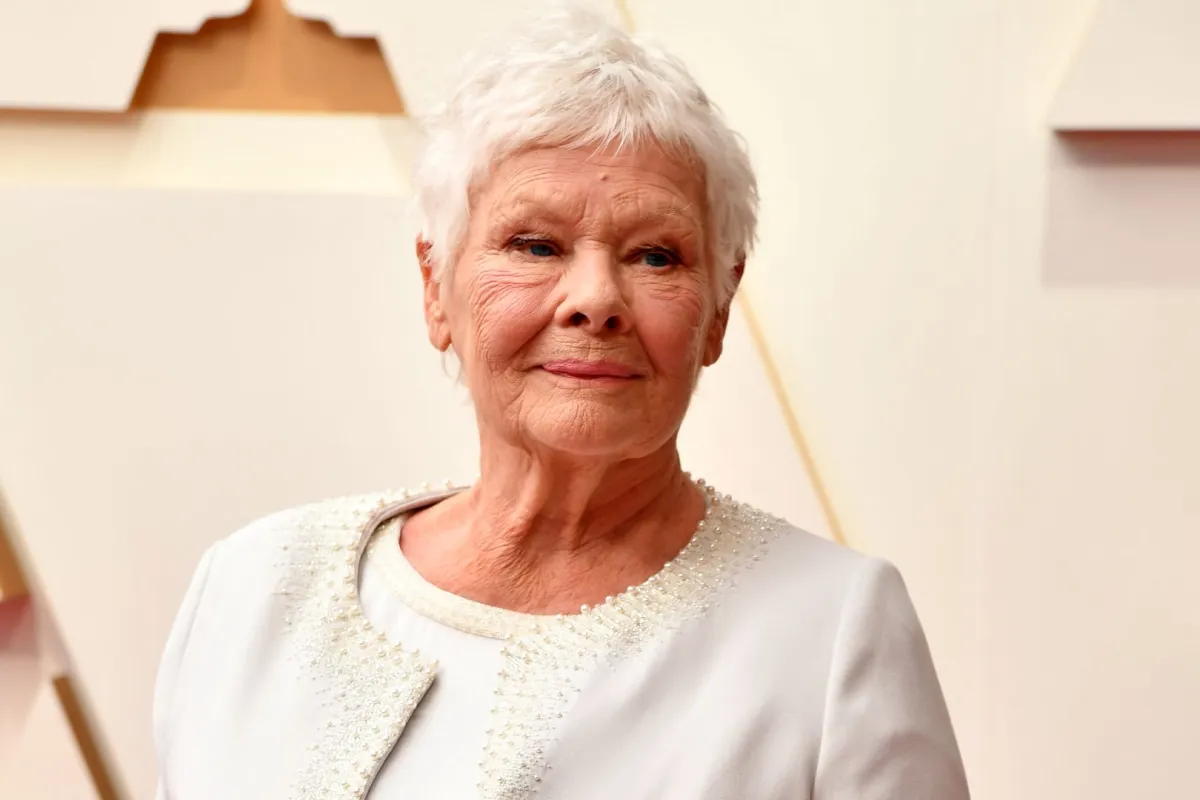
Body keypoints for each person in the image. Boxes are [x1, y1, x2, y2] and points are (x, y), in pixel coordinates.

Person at [152, 5, 970, 798]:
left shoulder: (830, 631)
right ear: (436, 287)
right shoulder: (254, 584)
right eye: (535, 244)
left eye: (655, 256)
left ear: (717, 311)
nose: (595, 300)